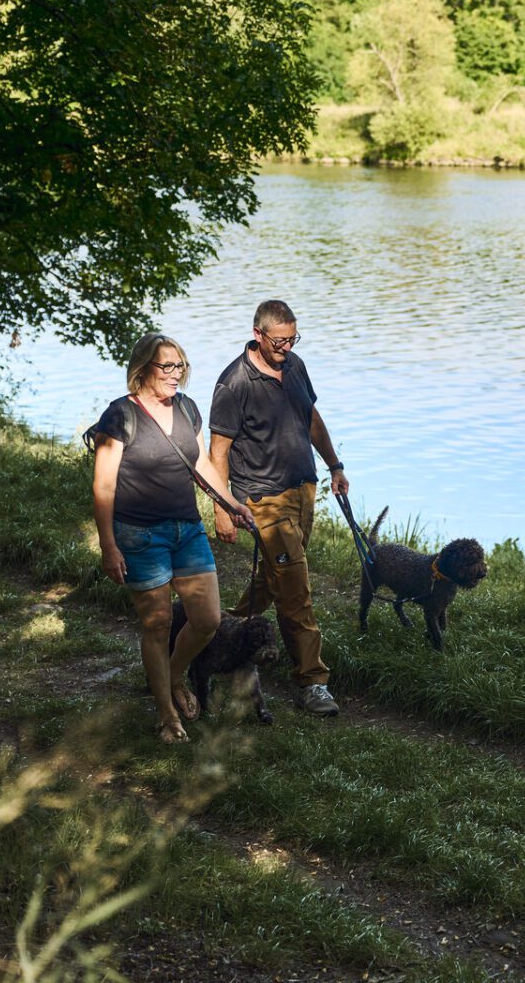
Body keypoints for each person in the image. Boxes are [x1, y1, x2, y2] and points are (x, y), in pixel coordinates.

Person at [89, 332, 256, 744]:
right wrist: (108, 545)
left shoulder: (186, 407)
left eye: (180, 365)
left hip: (187, 529)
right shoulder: (120, 416)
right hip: (140, 535)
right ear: (143, 368)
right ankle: (166, 713)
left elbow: (199, 462)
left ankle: (174, 673)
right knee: (158, 623)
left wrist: (231, 502)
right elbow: (104, 486)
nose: (175, 374)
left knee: (207, 620)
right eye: (167, 366)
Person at [208, 299, 348, 717]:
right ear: (258, 335)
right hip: (261, 501)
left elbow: (311, 418)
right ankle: (312, 682)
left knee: (273, 580)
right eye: (280, 341)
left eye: (293, 339)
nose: (287, 347)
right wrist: (221, 507)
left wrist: (334, 465)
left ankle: (216, 636)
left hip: (303, 490)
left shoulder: (295, 366)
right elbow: (218, 451)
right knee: (296, 590)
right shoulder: (235, 383)